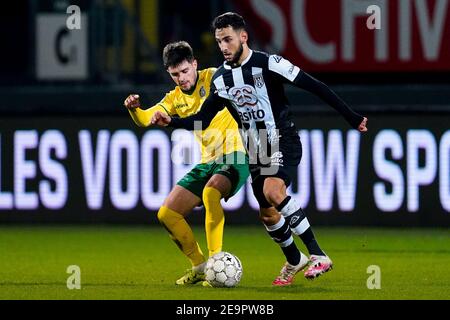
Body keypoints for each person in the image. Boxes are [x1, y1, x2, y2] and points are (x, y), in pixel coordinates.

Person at [152, 13, 369, 286]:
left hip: (281, 137)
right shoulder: (221, 79)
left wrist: (352, 117)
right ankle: (294, 259)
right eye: (219, 41)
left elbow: (315, 86)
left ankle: (317, 254)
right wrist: (172, 121)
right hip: (255, 146)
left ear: (243, 37)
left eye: (228, 39)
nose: (223, 46)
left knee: (273, 190)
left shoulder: (269, 63)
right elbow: (203, 120)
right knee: (267, 212)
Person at [123, 41, 249, 285]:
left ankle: (215, 261)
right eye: (174, 75)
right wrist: (135, 110)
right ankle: (200, 265)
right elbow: (147, 118)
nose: (181, 79)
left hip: (237, 154)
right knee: (167, 214)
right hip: (208, 161)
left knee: (211, 192)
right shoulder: (174, 98)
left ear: (194, 64)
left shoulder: (213, 77)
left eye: (184, 71)